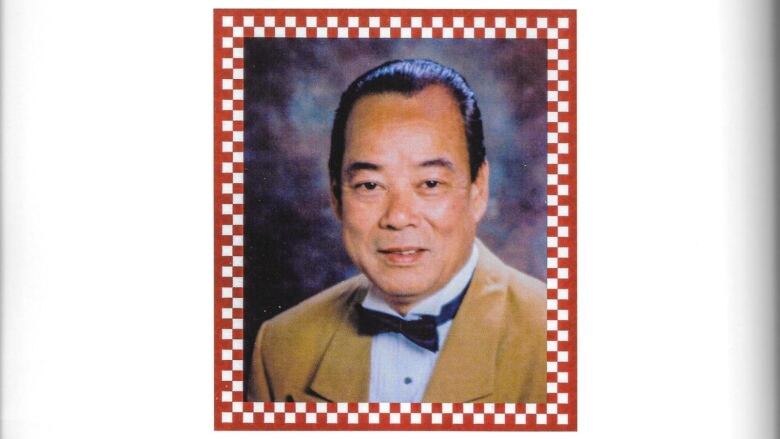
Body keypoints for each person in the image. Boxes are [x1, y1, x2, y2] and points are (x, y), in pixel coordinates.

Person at [249, 59, 546, 403]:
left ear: (477, 189)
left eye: (430, 183)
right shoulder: (281, 347)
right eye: (370, 185)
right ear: (336, 197)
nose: (399, 216)